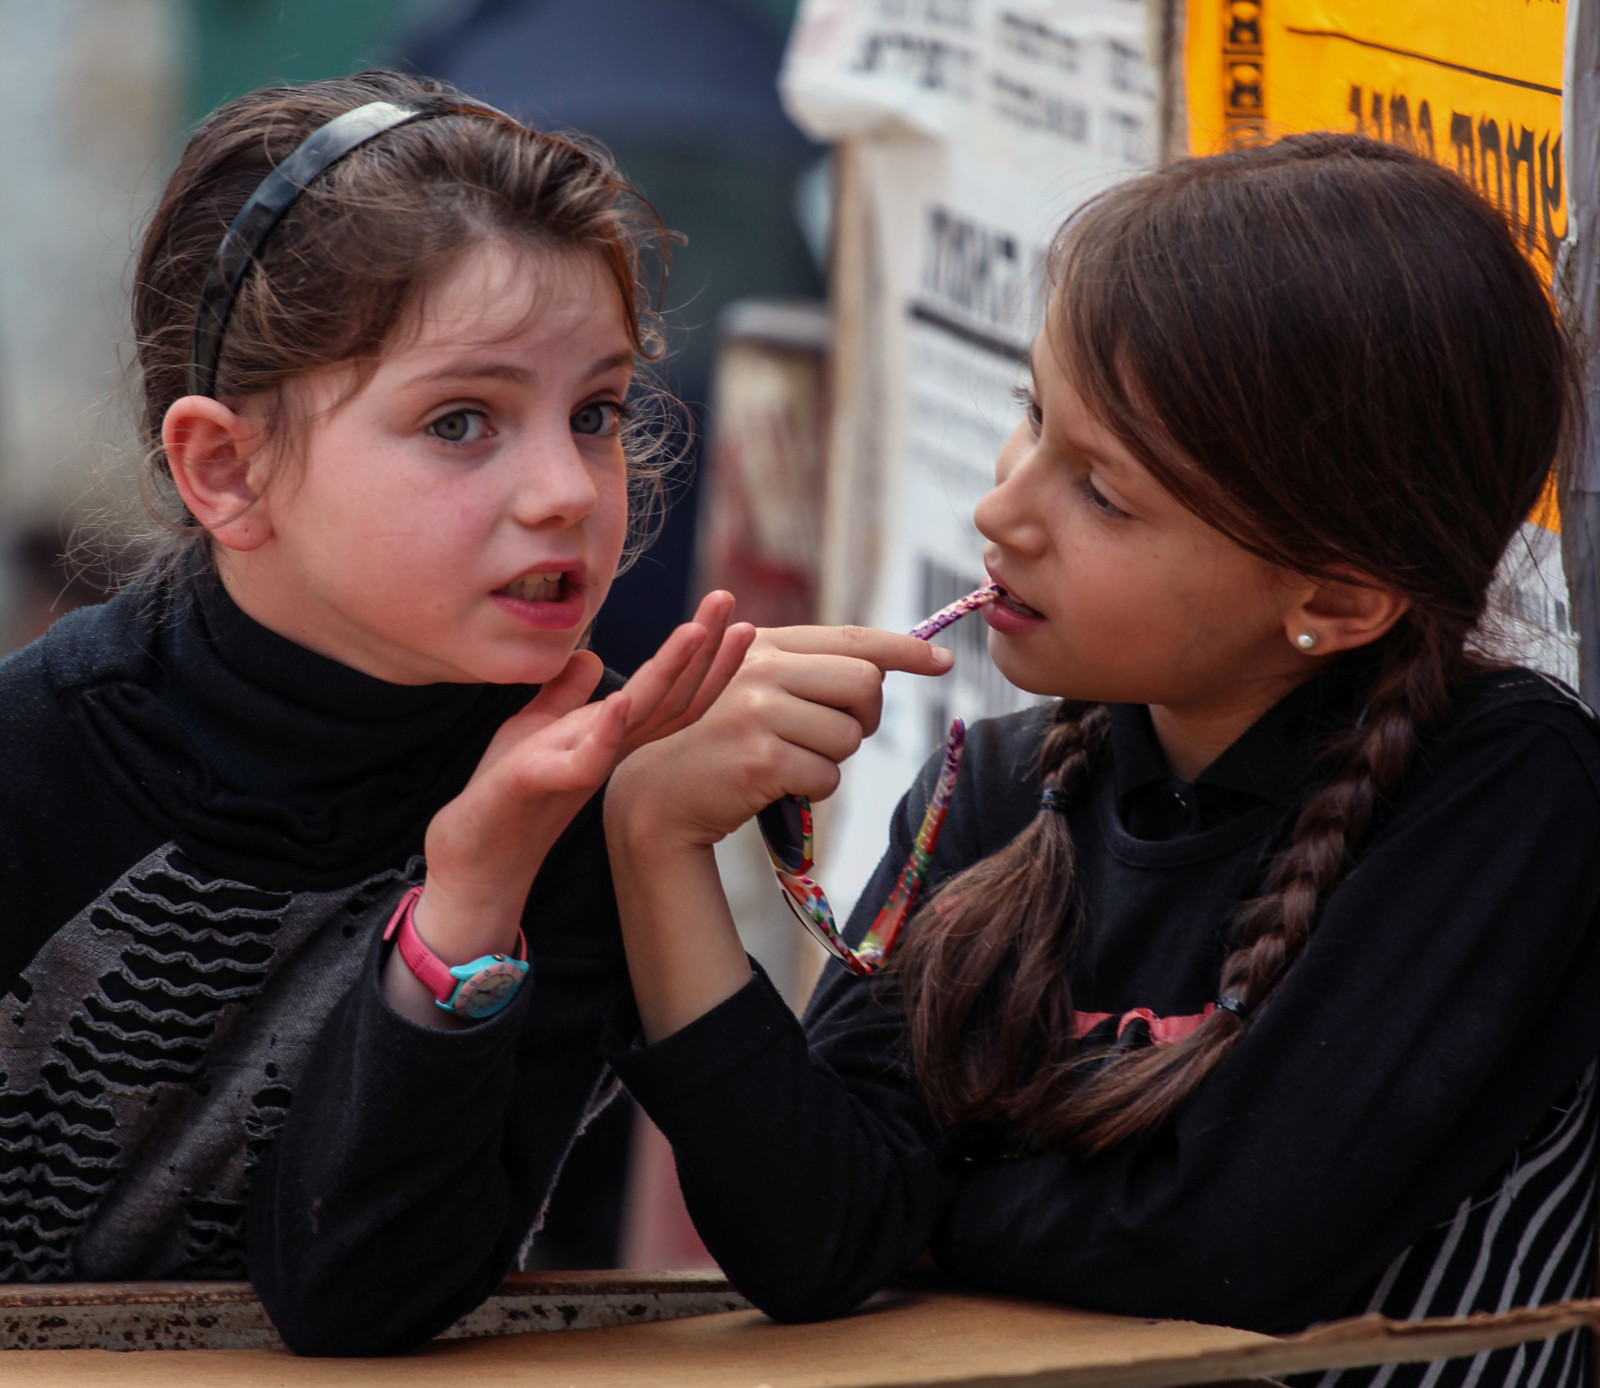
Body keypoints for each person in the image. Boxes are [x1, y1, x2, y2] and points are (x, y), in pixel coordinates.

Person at [603, 134, 1600, 1387]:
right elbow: (813, 1236)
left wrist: (925, 1207)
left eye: (1104, 494)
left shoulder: (1503, 788)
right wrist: (656, 843)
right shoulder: (991, 788)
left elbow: (1220, 1253)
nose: (1001, 509)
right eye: (1033, 416)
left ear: (1335, 599)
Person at [0, 68, 810, 1355]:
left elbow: (361, 1298)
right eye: (461, 420)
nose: (565, 490)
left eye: (595, 411)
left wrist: (476, 893)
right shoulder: (29, 763)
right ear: (227, 466)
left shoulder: (573, 789)